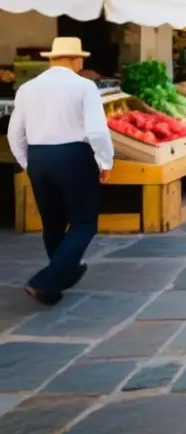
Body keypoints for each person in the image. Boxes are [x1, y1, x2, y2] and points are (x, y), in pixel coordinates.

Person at [8, 37, 114, 306]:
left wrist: (27, 162)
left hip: (38, 157)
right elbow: (97, 131)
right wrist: (105, 161)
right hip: (73, 156)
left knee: (52, 223)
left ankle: (57, 281)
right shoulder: (84, 86)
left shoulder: (27, 88)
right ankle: (45, 280)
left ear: (52, 59)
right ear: (76, 59)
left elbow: (14, 132)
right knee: (84, 222)